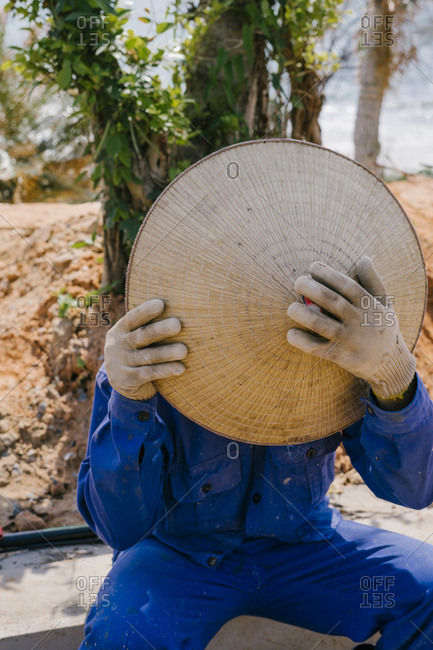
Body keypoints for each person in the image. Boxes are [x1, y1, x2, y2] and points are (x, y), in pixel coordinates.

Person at [77, 256, 433, 650]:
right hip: (175, 557)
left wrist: (393, 376)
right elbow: (119, 527)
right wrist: (128, 400)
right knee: (123, 636)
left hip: (306, 547)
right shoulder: (144, 358)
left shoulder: (339, 340)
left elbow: (413, 489)